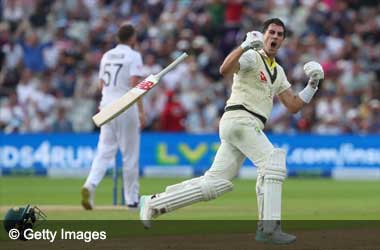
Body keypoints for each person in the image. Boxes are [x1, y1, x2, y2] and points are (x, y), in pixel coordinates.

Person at [139, 18, 324, 244]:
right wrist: (245, 45)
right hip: (240, 119)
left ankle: (153, 203)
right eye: (271, 32)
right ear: (263, 35)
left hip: (247, 125)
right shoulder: (251, 56)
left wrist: (312, 86)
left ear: (283, 40)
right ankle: (268, 228)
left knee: (214, 184)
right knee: (272, 163)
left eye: (279, 34)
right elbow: (224, 69)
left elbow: (293, 105)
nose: (275, 37)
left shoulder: (279, 71)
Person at [81, 23, 145, 210]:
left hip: (106, 106)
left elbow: (101, 85)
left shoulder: (106, 55)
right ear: (132, 38)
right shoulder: (134, 56)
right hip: (125, 106)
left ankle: (90, 185)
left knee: (104, 151)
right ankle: (131, 199)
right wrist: (141, 111)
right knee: (130, 155)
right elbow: (136, 86)